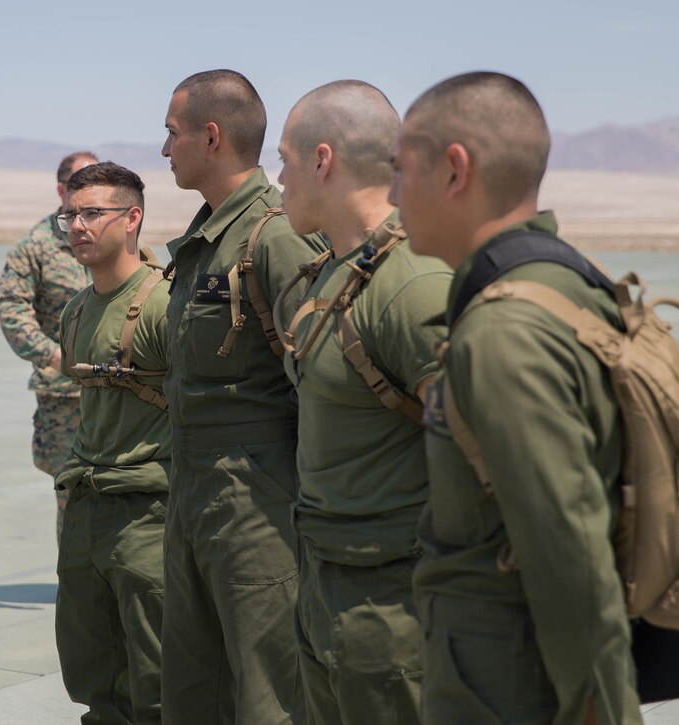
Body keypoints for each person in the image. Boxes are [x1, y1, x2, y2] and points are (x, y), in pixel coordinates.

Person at [389, 71, 642, 724]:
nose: (392, 194)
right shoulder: (557, 284)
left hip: (509, 692)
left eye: (400, 170)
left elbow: (571, 558)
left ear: (454, 170)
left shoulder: (505, 332)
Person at [275, 81, 451, 724]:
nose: (280, 179)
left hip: (395, 612)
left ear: (323, 160)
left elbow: (495, 464)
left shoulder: (414, 285)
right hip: (327, 586)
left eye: (285, 161)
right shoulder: (334, 271)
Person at [159, 69, 326, 724]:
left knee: (268, 695)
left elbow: (319, 383)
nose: (165, 149)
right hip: (194, 494)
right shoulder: (207, 241)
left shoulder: (273, 238)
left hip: (258, 506)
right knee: (192, 692)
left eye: (172, 134)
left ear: (211, 135)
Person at [53, 161, 171, 724]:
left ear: (132, 218)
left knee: (157, 680)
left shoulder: (164, 304)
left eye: (92, 213)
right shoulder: (76, 311)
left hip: (149, 513)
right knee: (91, 671)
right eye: (70, 215)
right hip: (86, 506)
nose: (77, 226)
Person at [0, 151, 98, 539]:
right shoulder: (35, 248)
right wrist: (54, 356)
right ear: (61, 190)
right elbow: (12, 311)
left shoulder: (117, 239)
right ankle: (75, 590)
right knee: (72, 495)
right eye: (81, 183)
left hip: (118, 389)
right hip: (65, 397)